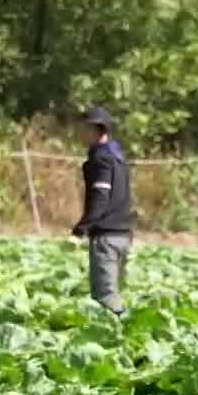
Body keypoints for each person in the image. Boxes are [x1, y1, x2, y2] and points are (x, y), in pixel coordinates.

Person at [70, 104, 135, 316]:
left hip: (106, 238)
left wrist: (80, 230)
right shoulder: (118, 155)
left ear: (95, 129)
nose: (79, 133)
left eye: (83, 128)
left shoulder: (101, 159)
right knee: (116, 293)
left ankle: (122, 337)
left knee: (105, 297)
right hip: (124, 235)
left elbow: (100, 198)